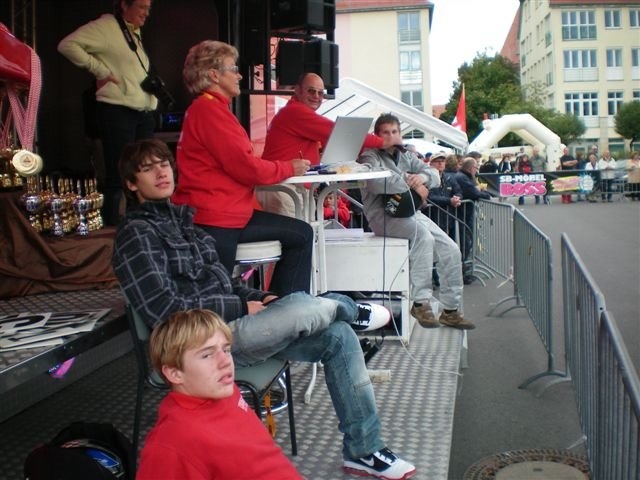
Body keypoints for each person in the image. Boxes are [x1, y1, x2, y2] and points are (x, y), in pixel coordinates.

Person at [113, 138, 417, 480]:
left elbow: (226, 283)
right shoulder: (136, 236)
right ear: (131, 183)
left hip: (237, 329)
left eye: (164, 164)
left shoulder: (185, 225)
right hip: (199, 346)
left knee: (337, 334)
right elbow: (165, 311)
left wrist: (263, 298)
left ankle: (364, 450)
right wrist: (242, 305)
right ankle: (346, 306)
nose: (160, 172)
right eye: (148, 168)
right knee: (304, 309)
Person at [171, 40, 313, 296]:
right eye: (233, 69)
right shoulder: (210, 111)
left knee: (301, 233)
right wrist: (289, 167)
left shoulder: (207, 109)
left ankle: (282, 307)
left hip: (218, 214)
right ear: (214, 75)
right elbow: (248, 169)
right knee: (217, 298)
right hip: (218, 219)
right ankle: (287, 309)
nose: (239, 75)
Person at [136, 309, 303, 479]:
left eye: (226, 350)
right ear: (175, 373)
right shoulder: (171, 445)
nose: (225, 362)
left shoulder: (225, 391)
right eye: (207, 355)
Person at [357, 114, 475, 330]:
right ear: (377, 135)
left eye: (394, 132)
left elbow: (434, 174)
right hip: (382, 216)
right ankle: (420, 302)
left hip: (409, 212)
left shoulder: (406, 156)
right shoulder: (369, 156)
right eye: (386, 132)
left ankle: (450, 310)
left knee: (451, 249)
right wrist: (411, 182)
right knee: (424, 237)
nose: (391, 136)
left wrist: (423, 178)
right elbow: (375, 182)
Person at [58, 0, 157, 226]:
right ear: (124, 5)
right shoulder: (106, 26)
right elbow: (67, 45)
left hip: (142, 111)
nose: (146, 13)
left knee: (143, 170)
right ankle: (112, 227)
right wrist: (100, 70)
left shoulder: (132, 31)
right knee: (119, 171)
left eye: (149, 8)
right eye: (141, 7)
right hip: (118, 109)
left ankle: (138, 223)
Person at [258, 72, 395, 217]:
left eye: (321, 93)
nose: (316, 96)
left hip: (292, 186)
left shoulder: (295, 112)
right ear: (297, 90)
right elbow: (340, 133)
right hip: (284, 186)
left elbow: (337, 140)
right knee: (296, 231)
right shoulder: (295, 112)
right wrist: (384, 142)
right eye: (311, 91)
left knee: (306, 230)